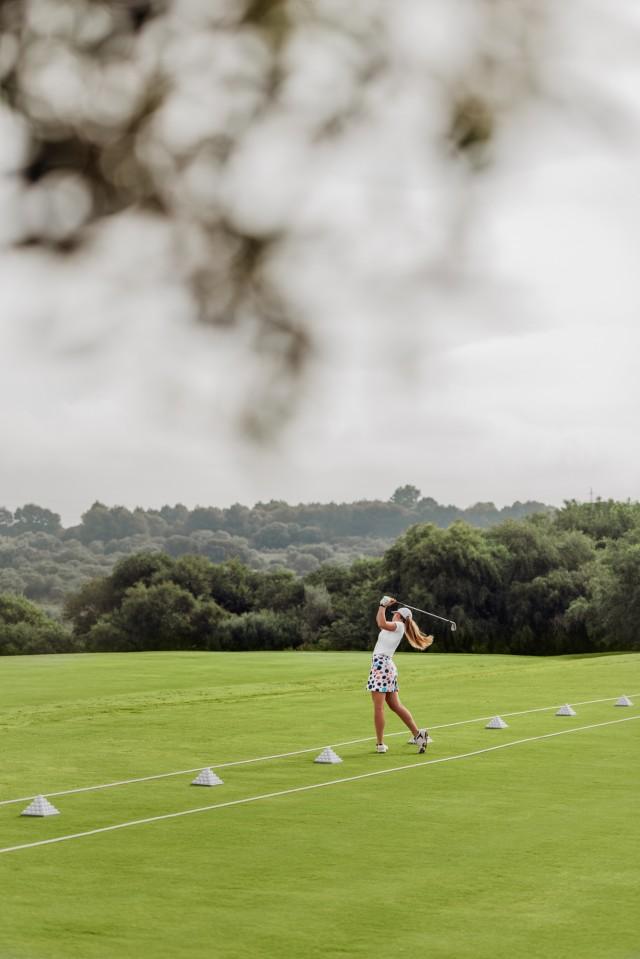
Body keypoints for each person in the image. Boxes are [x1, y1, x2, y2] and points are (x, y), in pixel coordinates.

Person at [366, 595, 433, 754]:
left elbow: (381, 622)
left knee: (378, 708)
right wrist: (382, 606)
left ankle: (380, 744)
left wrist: (383, 605)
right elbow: (380, 622)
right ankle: (418, 735)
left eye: (395, 613)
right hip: (385, 666)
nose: (393, 615)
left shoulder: (398, 625)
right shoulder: (395, 627)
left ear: (399, 616)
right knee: (395, 705)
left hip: (381, 666)